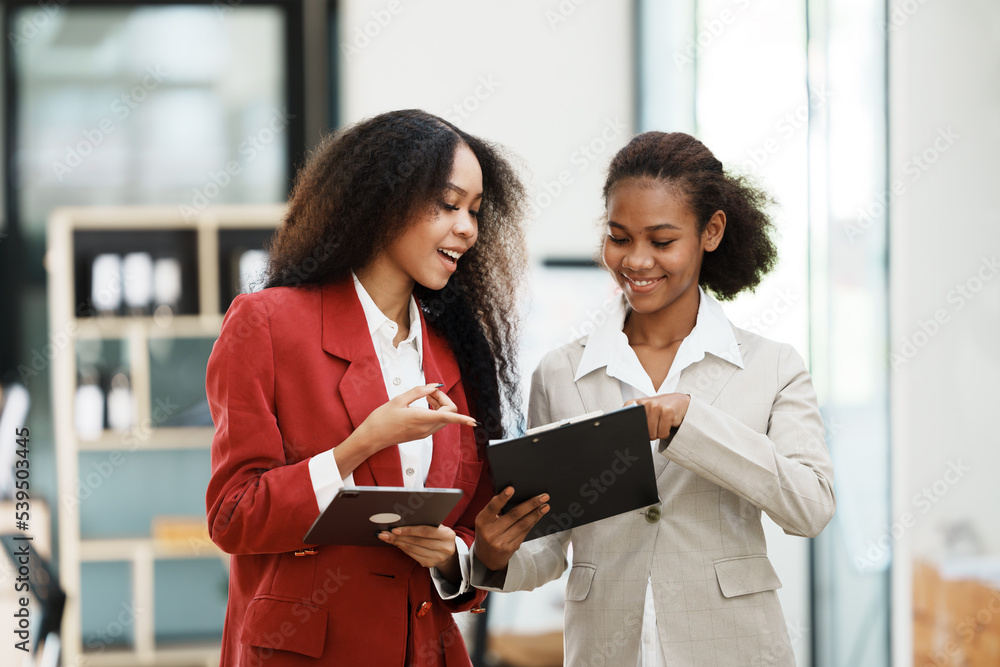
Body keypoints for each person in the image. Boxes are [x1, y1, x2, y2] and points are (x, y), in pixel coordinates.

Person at [472, 131, 836, 667]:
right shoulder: (560, 374)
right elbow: (547, 549)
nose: (636, 261)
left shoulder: (772, 366)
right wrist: (494, 554)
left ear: (710, 232)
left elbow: (810, 507)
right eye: (620, 238)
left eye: (662, 241)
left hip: (735, 648)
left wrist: (692, 424)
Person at [205, 109, 527, 666]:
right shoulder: (268, 324)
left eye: (475, 211)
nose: (468, 228)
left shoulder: (455, 353)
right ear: (386, 202)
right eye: (449, 205)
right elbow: (234, 516)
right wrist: (360, 446)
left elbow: (472, 538)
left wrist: (454, 557)